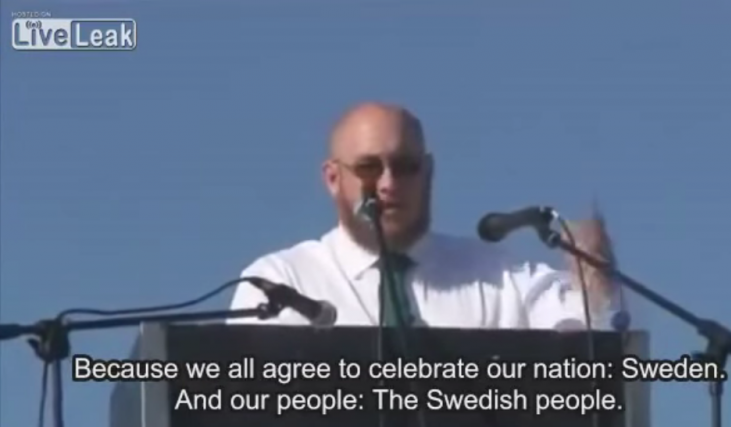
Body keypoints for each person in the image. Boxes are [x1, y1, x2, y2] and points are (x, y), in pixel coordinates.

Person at [229, 102, 625, 329]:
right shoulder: (282, 282)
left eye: (405, 166)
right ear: (333, 178)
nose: (388, 183)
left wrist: (594, 279)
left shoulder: (501, 280)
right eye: (368, 168)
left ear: (429, 172)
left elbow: (584, 347)